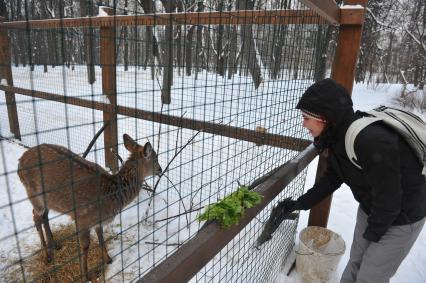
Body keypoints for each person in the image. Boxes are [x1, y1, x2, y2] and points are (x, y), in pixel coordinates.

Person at [279, 78, 426, 283]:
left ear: (324, 118)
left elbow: (390, 200)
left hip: (403, 216)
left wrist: (372, 235)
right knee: (356, 262)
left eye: (305, 117)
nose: (303, 124)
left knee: (370, 275)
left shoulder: (370, 142)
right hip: (373, 208)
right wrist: (300, 204)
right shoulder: (338, 138)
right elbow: (332, 178)